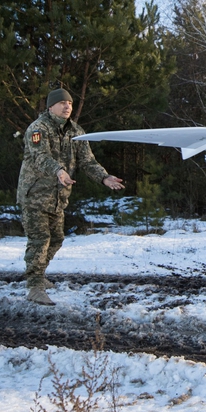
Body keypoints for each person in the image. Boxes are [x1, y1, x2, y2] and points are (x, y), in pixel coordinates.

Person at [17, 88, 125, 305]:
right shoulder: (38, 129)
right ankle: (34, 285)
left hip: (58, 197)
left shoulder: (76, 131)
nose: (67, 106)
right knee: (40, 240)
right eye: (62, 103)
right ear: (50, 107)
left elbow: (87, 161)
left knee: (56, 239)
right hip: (35, 195)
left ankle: (37, 273)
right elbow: (40, 157)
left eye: (70, 103)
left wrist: (104, 177)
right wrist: (58, 170)